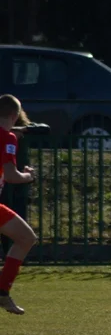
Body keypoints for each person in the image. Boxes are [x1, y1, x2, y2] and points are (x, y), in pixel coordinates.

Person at [0, 95, 38, 314]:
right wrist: (28, 176)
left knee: (25, 237)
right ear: (14, 115)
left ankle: (3, 291)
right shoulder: (8, 138)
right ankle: (2, 291)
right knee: (26, 238)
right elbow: (12, 176)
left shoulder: (9, 136)